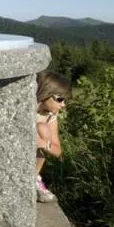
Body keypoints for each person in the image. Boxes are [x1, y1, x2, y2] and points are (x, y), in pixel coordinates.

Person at [35, 70, 72, 203]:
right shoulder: (25, 108)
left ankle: (32, 178)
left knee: (43, 128)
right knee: (41, 127)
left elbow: (57, 151)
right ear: (46, 93)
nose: (63, 105)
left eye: (65, 100)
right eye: (60, 99)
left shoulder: (50, 116)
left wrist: (43, 144)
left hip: (31, 156)